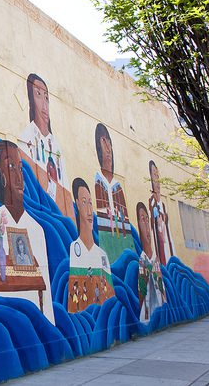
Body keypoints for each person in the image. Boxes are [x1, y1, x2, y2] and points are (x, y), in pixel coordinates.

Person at [0, 140, 55, 324]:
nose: (18, 177)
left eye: (20, 168)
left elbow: (46, 295)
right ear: (0, 172)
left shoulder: (36, 229)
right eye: (10, 167)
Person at [68, 178, 115, 313]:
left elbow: (110, 299)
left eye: (90, 203)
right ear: (76, 204)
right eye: (84, 203)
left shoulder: (102, 255)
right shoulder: (74, 249)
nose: (89, 212)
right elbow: (74, 306)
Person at [18, 74, 69, 188]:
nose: (44, 105)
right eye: (38, 94)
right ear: (31, 99)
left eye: (46, 97)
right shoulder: (25, 139)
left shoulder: (56, 146)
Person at [93, 123, 134, 262]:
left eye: (109, 143)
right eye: (103, 142)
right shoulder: (97, 182)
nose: (108, 149)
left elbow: (126, 232)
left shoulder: (118, 187)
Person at [136, 202, 166, 322]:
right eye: (143, 220)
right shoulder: (141, 262)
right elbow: (142, 296)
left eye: (147, 220)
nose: (147, 226)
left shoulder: (155, 260)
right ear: (138, 224)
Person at [148, 160, 174, 265]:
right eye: (154, 175)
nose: (157, 179)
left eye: (158, 175)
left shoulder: (163, 205)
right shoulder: (151, 203)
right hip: (160, 249)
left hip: (168, 248)